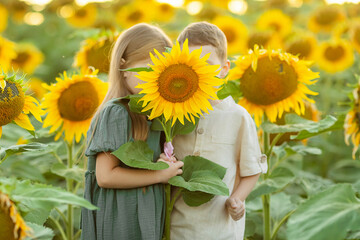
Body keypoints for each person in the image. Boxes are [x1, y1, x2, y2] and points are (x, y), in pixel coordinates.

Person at [80, 23, 183, 240]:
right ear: (123, 66)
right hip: (121, 218)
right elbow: (105, 176)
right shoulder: (116, 112)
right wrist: (159, 174)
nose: (154, 79)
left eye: (160, 72)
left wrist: (163, 161)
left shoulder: (152, 113)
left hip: (145, 214)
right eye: (147, 69)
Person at [168, 22, 268, 240]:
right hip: (176, 229)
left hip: (221, 230)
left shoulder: (237, 116)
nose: (199, 71)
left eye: (207, 64)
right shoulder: (173, 114)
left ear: (224, 69)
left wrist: (238, 199)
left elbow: (251, 169)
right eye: (191, 64)